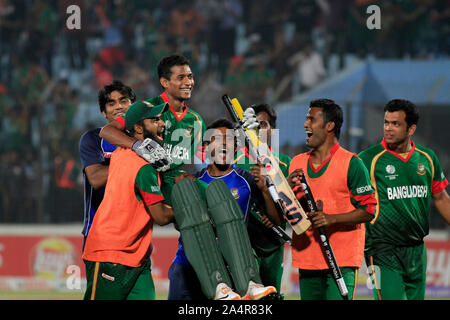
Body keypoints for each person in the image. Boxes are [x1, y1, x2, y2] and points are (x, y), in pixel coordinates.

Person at [168, 118, 280, 300]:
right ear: (205, 146)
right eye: (217, 139)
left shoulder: (247, 180)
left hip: (232, 268)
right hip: (188, 264)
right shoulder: (193, 181)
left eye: (229, 140)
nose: (224, 145)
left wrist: (265, 191)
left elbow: (275, 222)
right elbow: (179, 225)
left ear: (236, 148)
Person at [82, 100, 178, 300]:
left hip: (137, 256)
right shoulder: (142, 164)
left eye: (161, 119)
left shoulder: (122, 153)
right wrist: (191, 207)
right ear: (137, 128)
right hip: (110, 254)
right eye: (154, 120)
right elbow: (160, 216)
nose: (163, 124)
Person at [358, 99, 450, 300]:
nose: (388, 128)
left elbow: (441, 198)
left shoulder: (427, 158)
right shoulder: (368, 159)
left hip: (417, 250)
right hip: (381, 250)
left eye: (395, 124)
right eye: (386, 122)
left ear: (411, 129)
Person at [287, 99, 377, 300]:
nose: (305, 124)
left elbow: (369, 209)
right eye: (306, 119)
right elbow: (289, 213)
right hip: (308, 260)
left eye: (312, 119)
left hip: (341, 261)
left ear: (329, 125)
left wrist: (331, 219)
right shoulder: (296, 163)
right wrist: (285, 188)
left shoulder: (352, 164)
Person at [99, 55, 206, 205]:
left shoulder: (196, 120)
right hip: (151, 182)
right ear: (164, 82)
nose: (188, 82)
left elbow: (199, 156)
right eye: (181, 77)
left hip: (178, 181)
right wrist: (138, 146)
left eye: (190, 77)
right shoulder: (147, 109)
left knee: (220, 198)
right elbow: (107, 131)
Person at [234, 103, 291, 294]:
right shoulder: (235, 164)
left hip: (274, 245)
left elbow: (288, 211)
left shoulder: (285, 164)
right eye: (254, 124)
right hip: (246, 244)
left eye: (263, 124)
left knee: (272, 296)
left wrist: (267, 186)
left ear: (272, 131)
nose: (257, 129)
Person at [78, 80, 136, 246]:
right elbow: (95, 179)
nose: (118, 107)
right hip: (100, 234)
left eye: (124, 101)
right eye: (111, 104)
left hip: (136, 234)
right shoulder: (93, 139)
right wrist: (136, 155)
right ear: (104, 112)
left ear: (133, 106)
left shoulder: (144, 139)